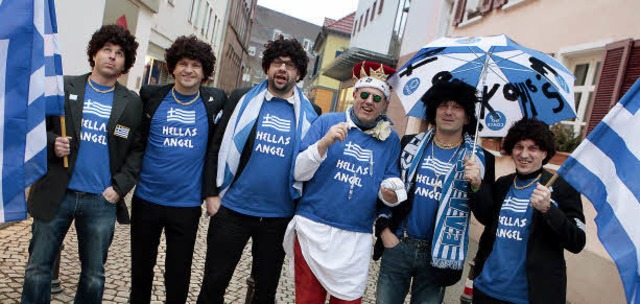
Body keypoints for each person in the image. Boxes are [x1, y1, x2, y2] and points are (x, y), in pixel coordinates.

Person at [22, 24, 142, 304]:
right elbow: (36, 126)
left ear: (125, 63)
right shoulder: (64, 87)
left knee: (93, 276)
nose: (112, 56)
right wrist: (53, 142)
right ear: (95, 54)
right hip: (57, 192)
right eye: (107, 50)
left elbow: (137, 151)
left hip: (101, 200)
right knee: (38, 268)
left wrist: (119, 187)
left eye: (119, 53)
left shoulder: (131, 103)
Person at [197, 37, 318, 304]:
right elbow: (216, 146)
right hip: (232, 209)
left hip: (278, 218)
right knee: (214, 283)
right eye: (277, 63)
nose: (282, 69)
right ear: (267, 67)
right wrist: (211, 194)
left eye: (289, 65)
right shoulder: (242, 99)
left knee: (265, 291)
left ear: (298, 73)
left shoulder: (312, 114)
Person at [282, 61, 406, 304]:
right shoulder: (327, 122)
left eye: (377, 98)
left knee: (349, 300)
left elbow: (391, 180)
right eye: (365, 95)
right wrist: (324, 143)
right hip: (313, 228)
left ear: (385, 105)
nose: (369, 101)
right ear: (355, 95)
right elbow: (297, 172)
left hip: (355, 237)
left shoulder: (390, 139)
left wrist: (391, 194)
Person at [374, 80, 494, 304]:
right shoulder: (409, 144)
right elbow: (387, 186)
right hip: (399, 243)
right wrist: (384, 232)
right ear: (433, 110)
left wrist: (477, 183)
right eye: (443, 105)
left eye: (457, 107)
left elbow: (486, 214)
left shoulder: (480, 159)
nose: (449, 112)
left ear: (467, 117)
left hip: (439, 255)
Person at [129, 35, 227, 304]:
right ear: (172, 67)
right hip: (146, 200)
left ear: (205, 72)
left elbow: (219, 149)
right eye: (183, 63)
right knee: (140, 270)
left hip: (185, 206)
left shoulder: (215, 101)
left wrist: (212, 192)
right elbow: (135, 142)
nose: (188, 70)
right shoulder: (151, 96)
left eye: (196, 65)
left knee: (178, 273)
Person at [471, 118, 586, 304]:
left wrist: (549, 209)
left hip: (530, 296)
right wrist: (477, 186)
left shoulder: (563, 187)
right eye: (518, 147)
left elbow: (577, 241)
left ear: (544, 152)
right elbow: (486, 218)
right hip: (487, 290)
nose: (524, 154)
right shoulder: (503, 184)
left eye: (533, 148)